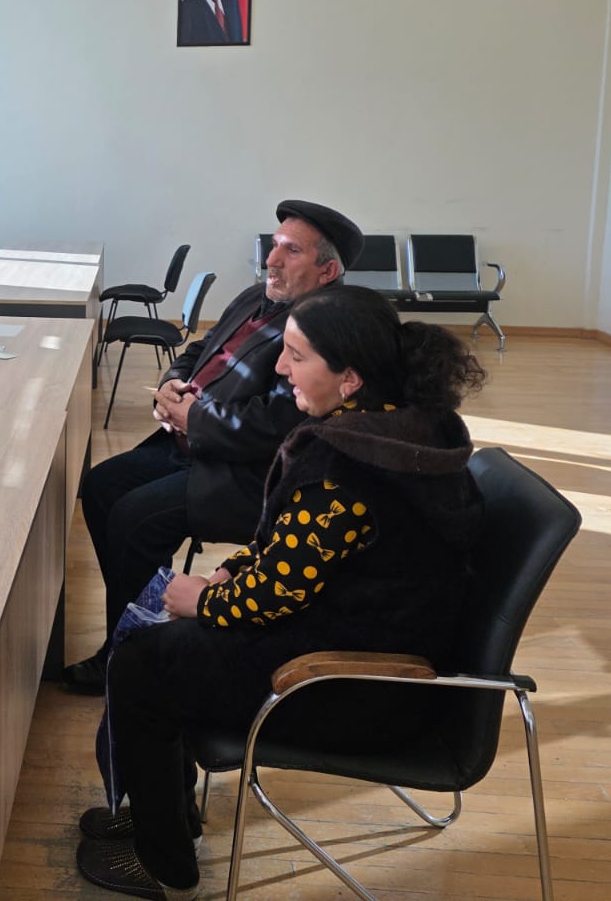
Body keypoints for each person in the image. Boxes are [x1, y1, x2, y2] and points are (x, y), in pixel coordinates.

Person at [74, 286, 487, 901]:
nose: (281, 367)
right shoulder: (403, 425)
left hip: (355, 684)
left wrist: (205, 601)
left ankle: (163, 866)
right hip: (372, 649)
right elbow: (293, 552)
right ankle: (168, 815)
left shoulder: (347, 463)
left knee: (142, 664)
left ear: (349, 379)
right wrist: (230, 576)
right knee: (167, 650)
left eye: (296, 355)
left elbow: (278, 592)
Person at [64, 200, 364, 695]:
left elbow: (279, 421)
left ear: (327, 271)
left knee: (134, 519)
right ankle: (138, 626)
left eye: (291, 252)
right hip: (191, 442)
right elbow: (199, 350)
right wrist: (171, 383)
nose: (271, 261)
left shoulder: (324, 328)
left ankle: (131, 655)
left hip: (241, 471)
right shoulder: (254, 297)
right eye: (274, 246)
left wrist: (195, 418)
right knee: (99, 487)